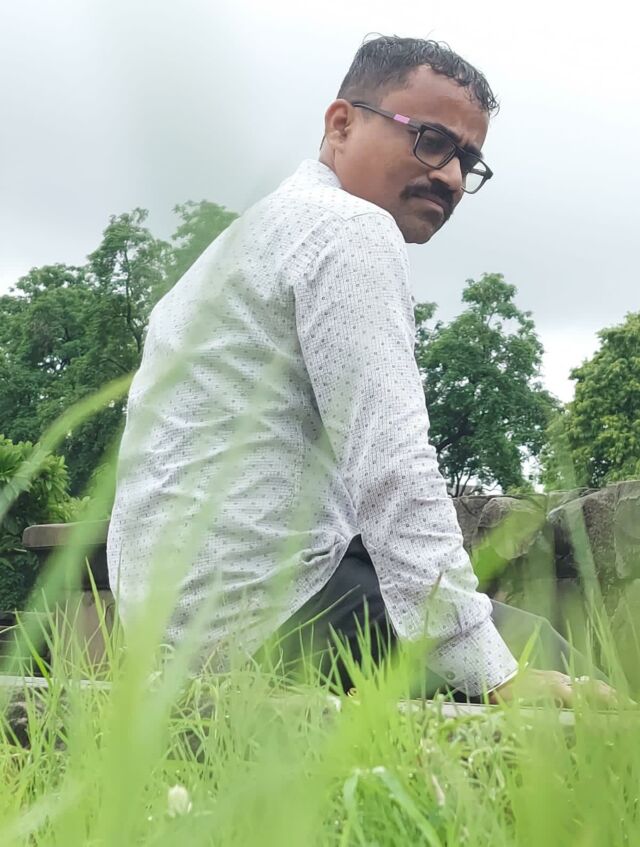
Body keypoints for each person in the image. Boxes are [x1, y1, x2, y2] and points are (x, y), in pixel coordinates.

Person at [107, 36, 615, 707]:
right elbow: (392, 466)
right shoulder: (347, 228)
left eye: (468, 160)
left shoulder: (248, 240)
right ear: (341, 123)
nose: (451, 177)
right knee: (559, 672)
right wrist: (495, 672)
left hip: (174, 619)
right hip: (270, 608)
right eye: (432, 141)